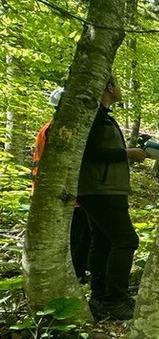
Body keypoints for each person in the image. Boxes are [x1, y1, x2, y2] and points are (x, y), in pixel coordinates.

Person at [77, 74, 149, 320]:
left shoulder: (102, 115)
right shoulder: (93, 115)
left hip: (104, 188)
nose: (121, 89)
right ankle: (116, 299)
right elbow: (91, 152)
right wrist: (127, 153)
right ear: (108, 87)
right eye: (117, 83)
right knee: (126, 240)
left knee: (103, 241)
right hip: (100, 188)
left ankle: (100, 295)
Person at [32, 87, 90, 284]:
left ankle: (77, 274)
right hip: (63, 195)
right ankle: (76, 277)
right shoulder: (58, 131)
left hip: (57, 192)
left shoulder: (49, 128)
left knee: (78, 237)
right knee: (76, 238)